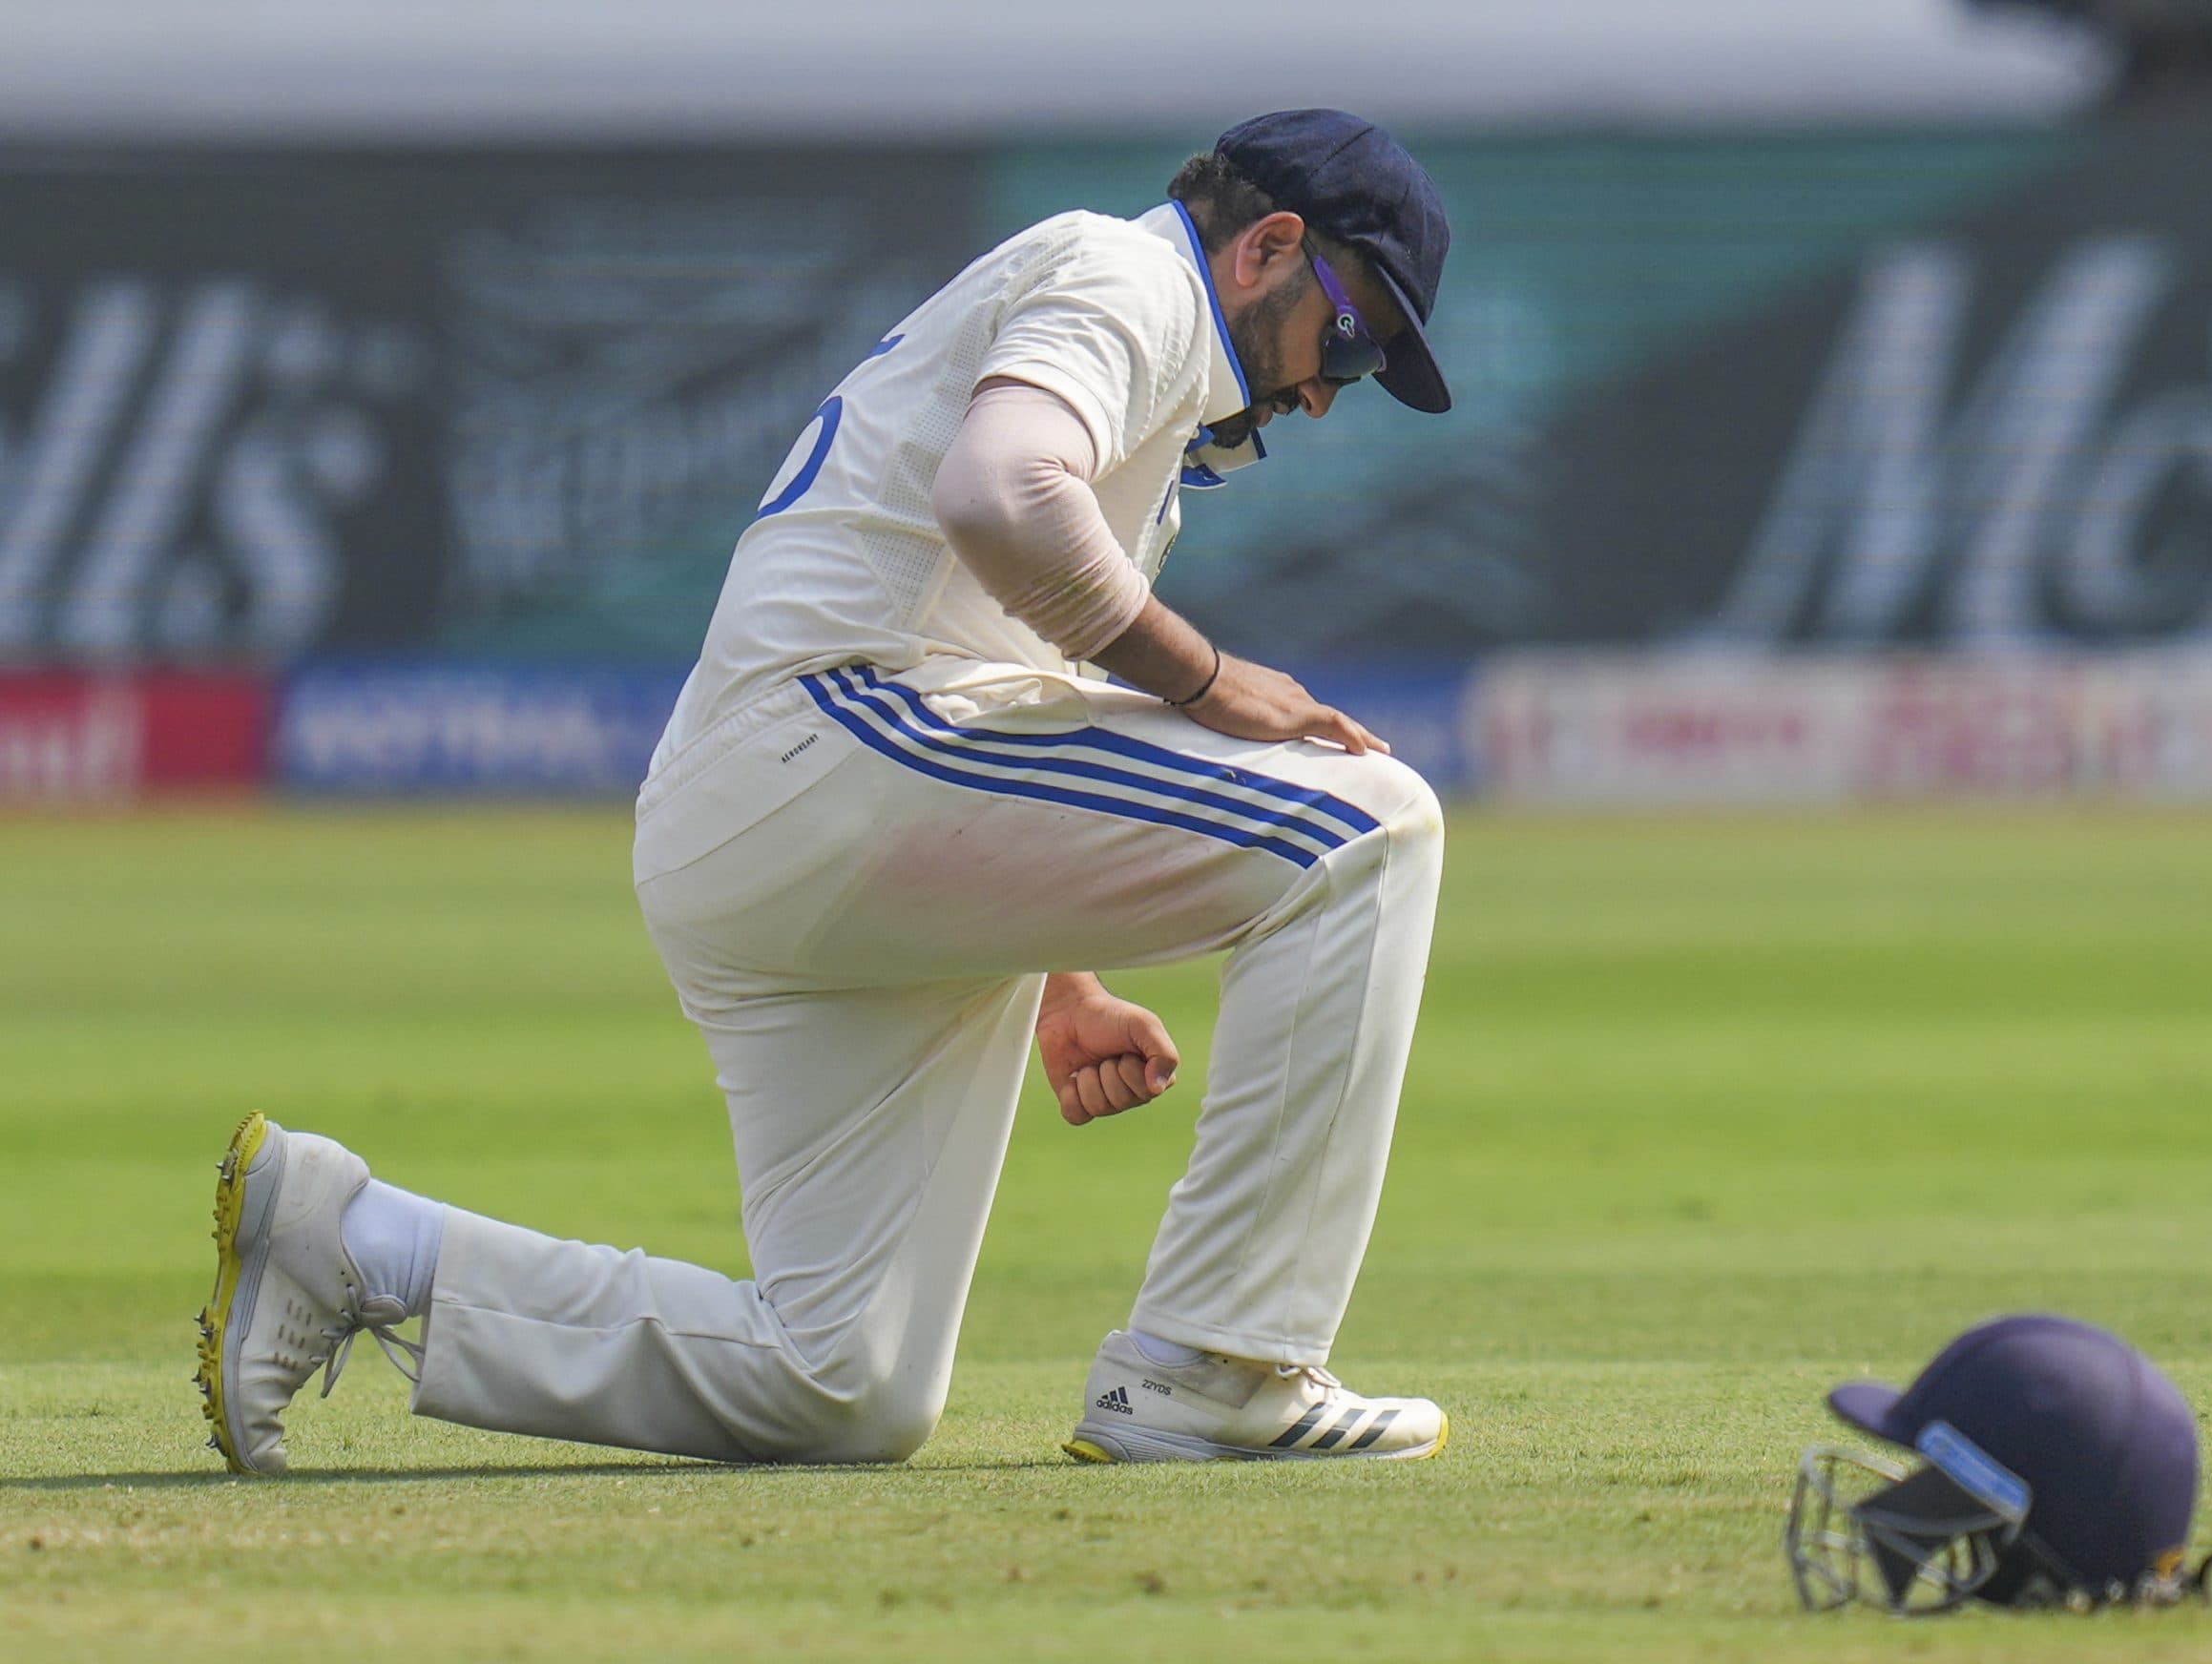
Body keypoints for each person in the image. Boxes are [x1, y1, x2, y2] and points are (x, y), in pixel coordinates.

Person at [195, 109, 1456, 1471]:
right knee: (1365, 827)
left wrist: (1062, 975)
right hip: (835, 743)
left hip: (776, 815)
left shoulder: (1140, 359)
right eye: (1351, 337)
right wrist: (1211, 679)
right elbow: (1006, 494)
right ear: (1269, 245)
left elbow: (1003, 641)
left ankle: (352, 1242)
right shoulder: (1132, 276)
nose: (1336, 388)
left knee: (841, 1384)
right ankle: (1222, 1368)